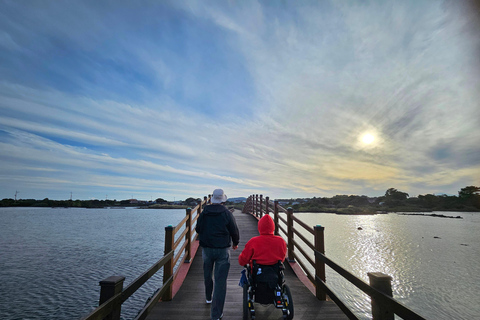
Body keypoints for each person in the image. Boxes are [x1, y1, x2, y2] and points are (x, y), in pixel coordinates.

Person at [195, 188, 239, 320]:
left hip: (207, 248)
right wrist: (235, 243)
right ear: (223, 200)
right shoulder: (227, 213)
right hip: (222, 250)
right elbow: (234, 230)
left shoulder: (204, 212)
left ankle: (208, 297)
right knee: (220, 282)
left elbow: (198, 228)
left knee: (207, 274)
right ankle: (216, 314)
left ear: (212, 199)